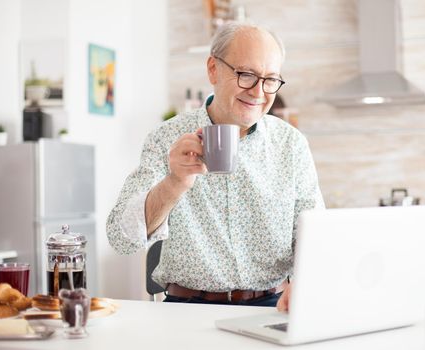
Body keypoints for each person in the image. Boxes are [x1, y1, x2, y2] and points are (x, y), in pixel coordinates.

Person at [106, 21, 324, 309]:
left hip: (271, 305)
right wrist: (175, 183)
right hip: (187, 308)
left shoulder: (291, 144)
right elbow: (121, 238)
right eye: (246, 75)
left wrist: (305, 282)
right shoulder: (166, 138)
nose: (258, 92)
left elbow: (315, 230)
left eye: (270, 79)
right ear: (213, 69)